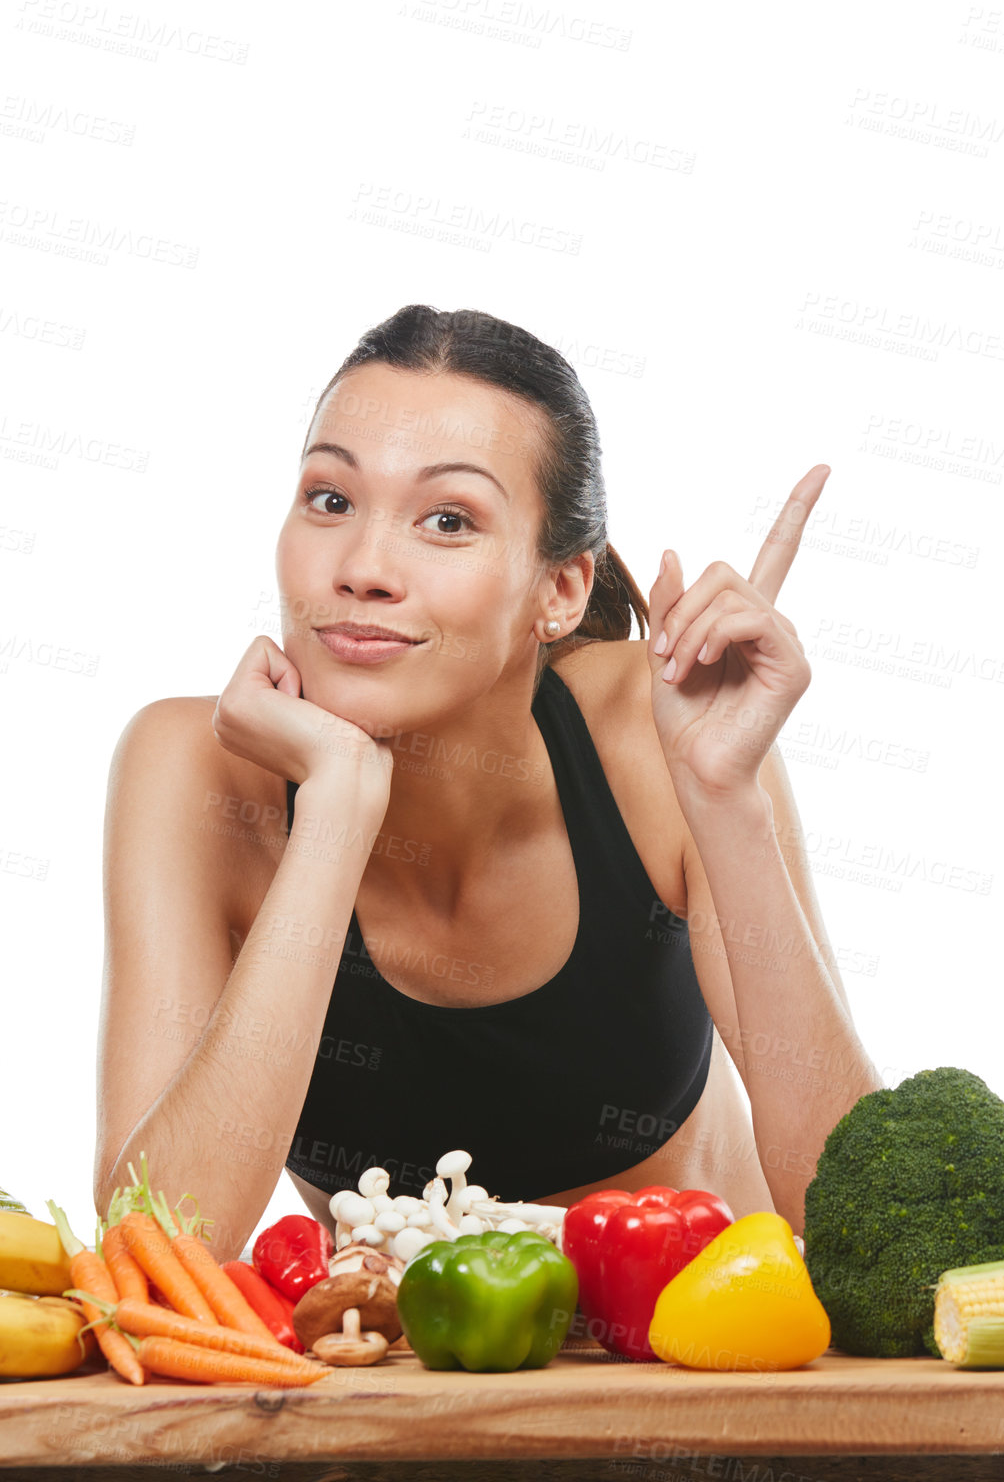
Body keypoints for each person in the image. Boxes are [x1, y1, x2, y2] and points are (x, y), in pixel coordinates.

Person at [94, 306, 882, 1261]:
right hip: (391, 1386)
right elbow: (156, 1249)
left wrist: (727, 800)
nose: (363, 569)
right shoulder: (193, 768)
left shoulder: (656, 732)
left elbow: (866, 1215)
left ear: (560, 591)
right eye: (331, 500)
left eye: (447, 519)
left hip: (697, 1363)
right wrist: (335, 810)